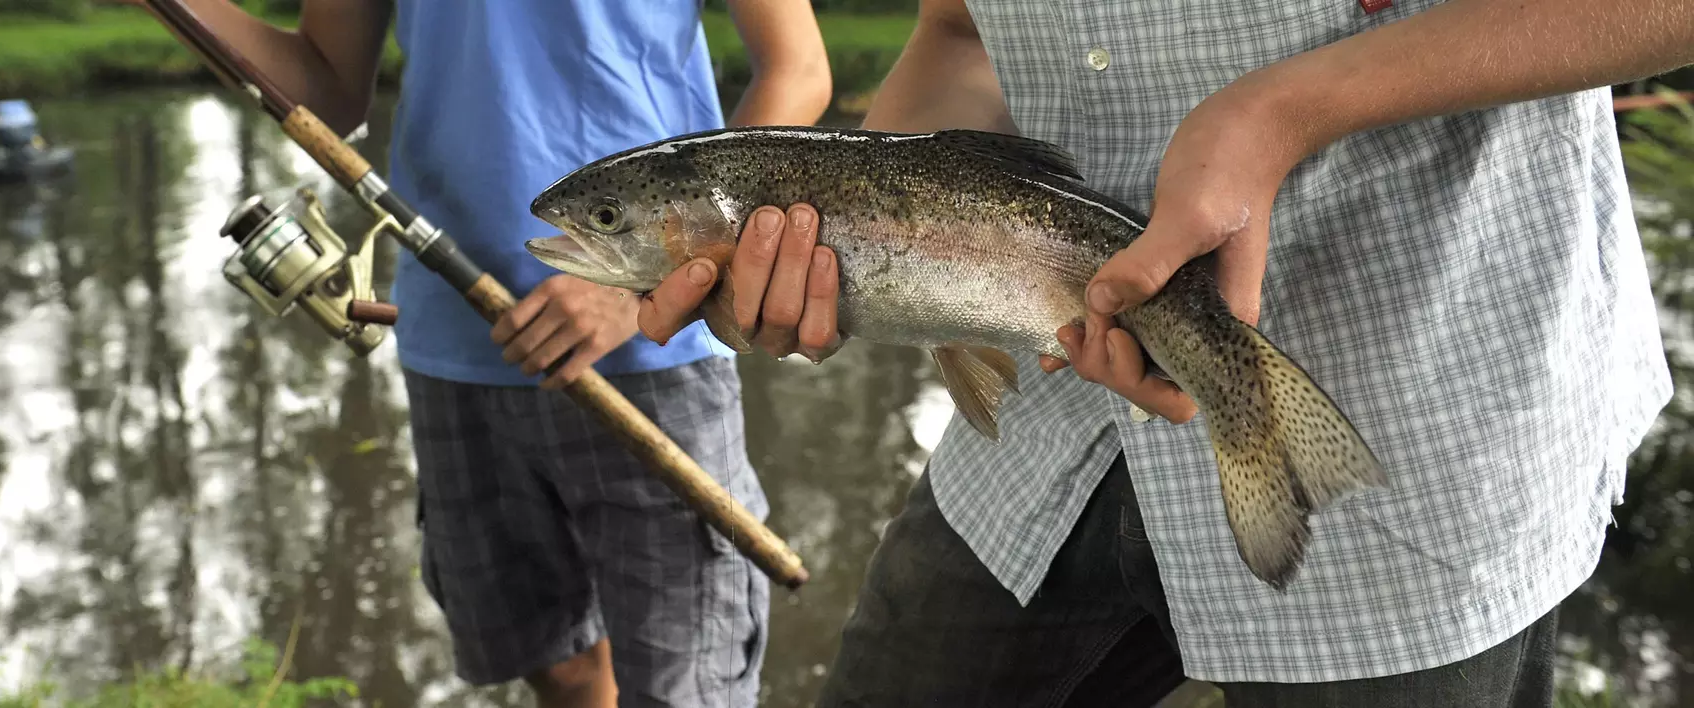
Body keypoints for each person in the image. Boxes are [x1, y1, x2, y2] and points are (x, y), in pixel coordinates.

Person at [637, 0, 1694, 705]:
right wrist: (845, 248)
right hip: (1038, 441)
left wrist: (1285, 108)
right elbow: (962, 36)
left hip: (1416, 422)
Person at [117, 1, 832, 706]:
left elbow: (796, 67)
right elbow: (325, 86)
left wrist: (650, 283)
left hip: (656, 343)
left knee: (688, 689)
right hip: (454, 335)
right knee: (559, 666)